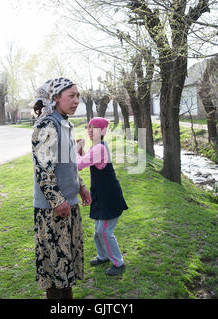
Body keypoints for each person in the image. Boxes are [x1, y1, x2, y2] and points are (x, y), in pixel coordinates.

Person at [31, 77, 92, 299]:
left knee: (66, 269)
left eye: (78, 95)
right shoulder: (48, 124)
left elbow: (69, 163)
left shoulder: (65, 123)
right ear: (55, 98)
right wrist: (58, 201)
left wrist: (81, 187)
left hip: (68, 205)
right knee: (57, 273)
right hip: (53, 211)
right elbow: (42, 169)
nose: (76, 100)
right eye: (71, 96)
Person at [76, 117, 128, 276]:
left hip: (109, 195)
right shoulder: (96, 147)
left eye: (94, 127)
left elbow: (78, 165)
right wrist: (81, 151)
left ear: (102, 131)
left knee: (104, 232)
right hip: (102, 193)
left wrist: (75, 148)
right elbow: (86, 160)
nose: (90, 130)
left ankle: (119, 264)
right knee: (98, 230)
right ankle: (103, 256)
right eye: (89, 127)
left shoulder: (100, 148)